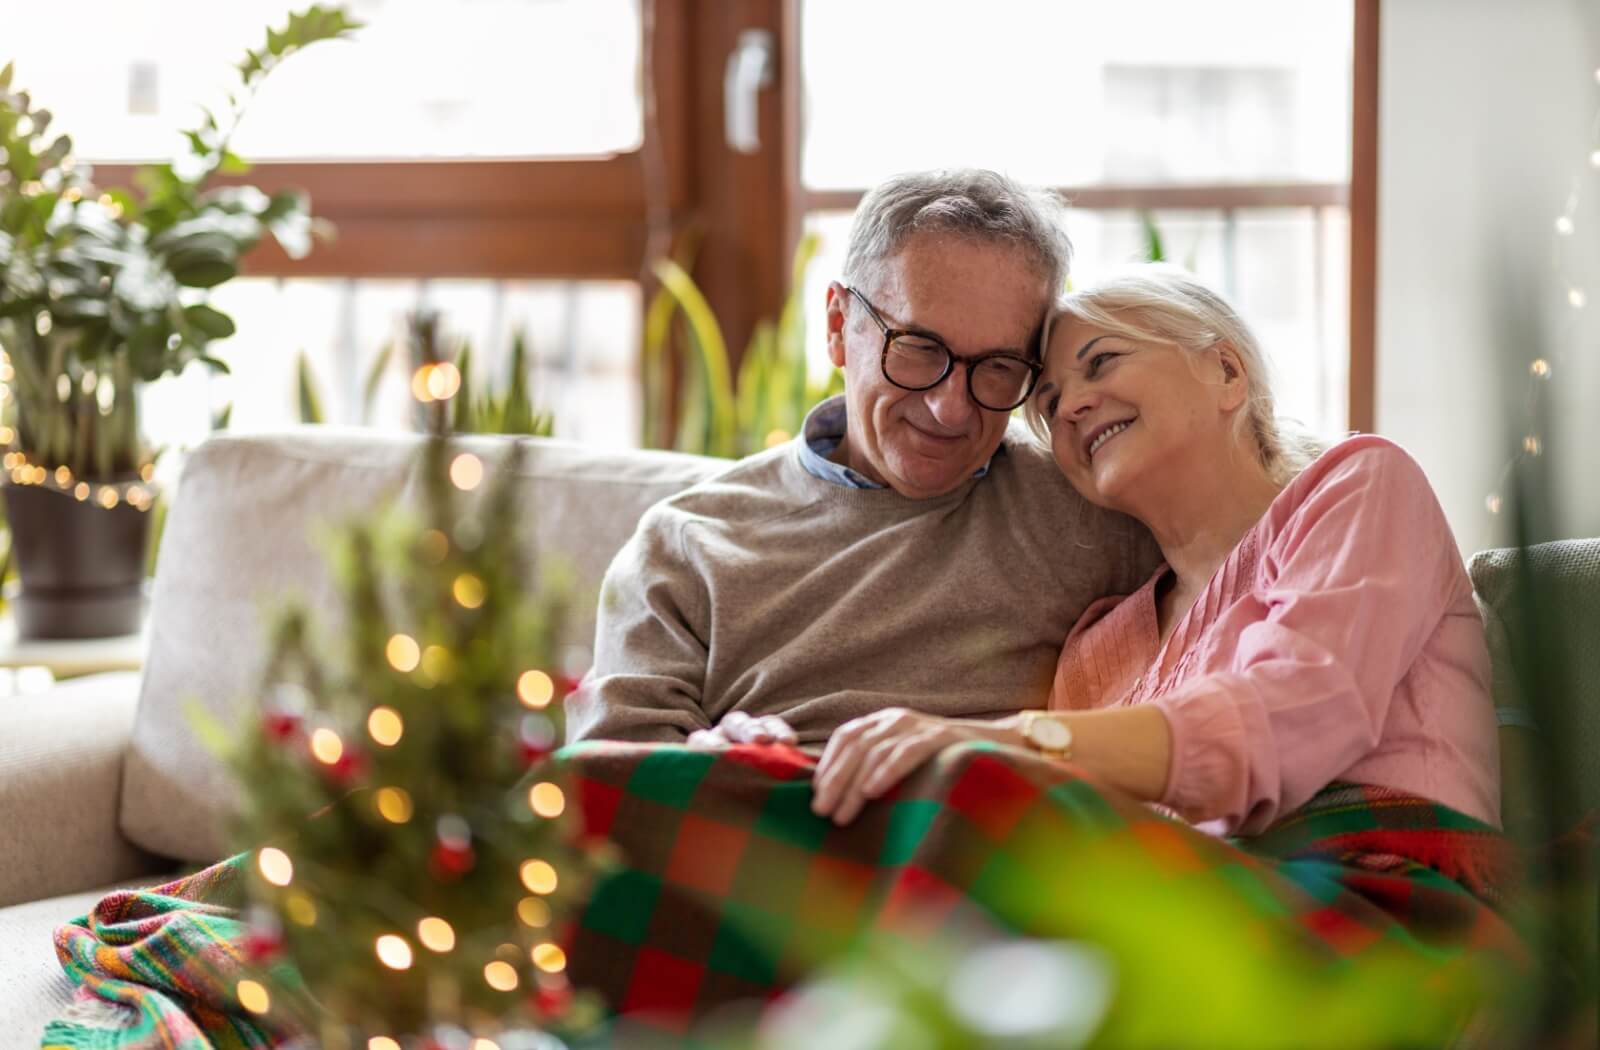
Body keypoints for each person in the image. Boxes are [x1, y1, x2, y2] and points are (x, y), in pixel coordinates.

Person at [809, 263, 1501, 837]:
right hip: (1198, 938)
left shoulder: (1360, 487)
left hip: (1391, 915)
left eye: (1101, 363)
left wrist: (1013, 741)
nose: (1071, 407)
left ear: (1227, 371)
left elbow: (1288, 718)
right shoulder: (1095, 653)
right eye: (1047, 405)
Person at [565, 170, 1156, 747]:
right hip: (767, 825)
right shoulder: (685, 547)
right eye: (920, 349)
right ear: (837, 325)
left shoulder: (1088, 507)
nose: (951, 409)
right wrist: (710, 766)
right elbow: (612, 792)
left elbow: (1237, 592)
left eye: (999, 367)